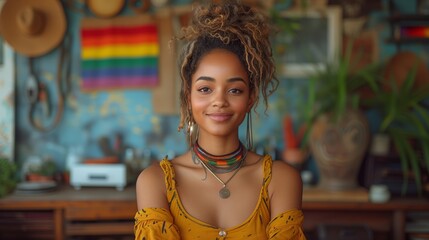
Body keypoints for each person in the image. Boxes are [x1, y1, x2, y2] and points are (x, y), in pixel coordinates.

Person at [134, 1, 306, 239]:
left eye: (234, 90)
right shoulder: (155, 182)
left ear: (251, 98)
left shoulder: (281, 180)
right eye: (205, 89)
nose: (219, 101)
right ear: (188, 96)